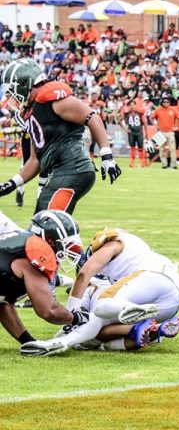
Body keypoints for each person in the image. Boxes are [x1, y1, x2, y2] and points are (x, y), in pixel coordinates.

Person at [20, 227, 179, 356]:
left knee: (101, 310)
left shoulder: (112, 246)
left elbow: (84, 275)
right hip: (174, 298)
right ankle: (155, 328)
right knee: (97, 335)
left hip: (151, 277)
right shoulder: (136, 251)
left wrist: (70, 319)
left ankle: (63, 343)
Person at [0, 58, 121, 213]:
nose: (12, 96)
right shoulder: (33, 111)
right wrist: (11, 184)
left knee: (46, 224)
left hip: (73, 168)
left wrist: (106, 156)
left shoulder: (52, 99)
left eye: (13, 89)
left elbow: (92, 117)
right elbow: (35, 159)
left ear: (25, 83)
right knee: (42, 224)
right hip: (60, 172)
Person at [0, 210, 89, 350]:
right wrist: (76, 318)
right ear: (49, 240)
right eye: (64, 244)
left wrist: (27, 341)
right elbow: (49, 310)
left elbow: (3, 303)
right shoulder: (32, 256)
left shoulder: (15, 243)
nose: (67, 250)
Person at [122, 99, 148, 168]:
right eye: (131, 104)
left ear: (135, 105)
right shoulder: (127, 113)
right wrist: (125, 129)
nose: (132, 106)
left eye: (133, 104)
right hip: (131, 133)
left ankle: (142, 164)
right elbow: (119, 120)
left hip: (139, 132)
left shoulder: (139, 113)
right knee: (132, 148)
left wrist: (147, 134)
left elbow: (145, 123)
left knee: (140, 148)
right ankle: (131, 163)